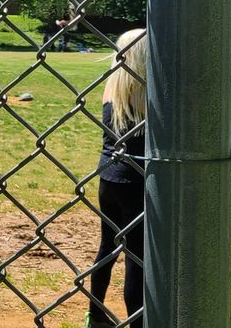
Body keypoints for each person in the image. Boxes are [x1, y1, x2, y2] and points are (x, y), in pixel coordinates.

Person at [87, 28, 147, 328]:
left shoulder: (113, 86)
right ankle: (136, 321)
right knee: (137, 258)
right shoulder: (146, 93)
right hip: (135, 183)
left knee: (107, 247)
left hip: (108, 177)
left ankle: (95, 314)